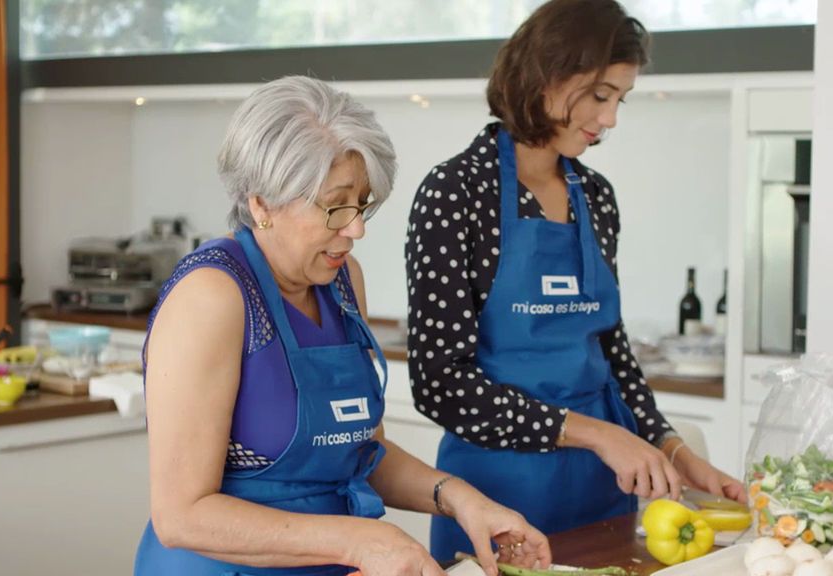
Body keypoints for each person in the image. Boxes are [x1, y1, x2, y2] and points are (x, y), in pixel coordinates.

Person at [135, 75, 551, 576]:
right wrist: (362, 541)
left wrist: (461, 500)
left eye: (363, 203)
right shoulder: (213, 296)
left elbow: (361, 452)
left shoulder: (342, 280)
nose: (356, 228)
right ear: (261, 204)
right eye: (335, 207)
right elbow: (182, 517)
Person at [405, 0, 747, 561]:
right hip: (500, 499)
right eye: (600, 95)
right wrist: (598, 434)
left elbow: (612, 352)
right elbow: (440, 382)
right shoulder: (457, 193)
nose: (609, 119)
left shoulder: (596, 197)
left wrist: (673, 448)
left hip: (602, 491)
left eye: (619, 100)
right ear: (547, 76)